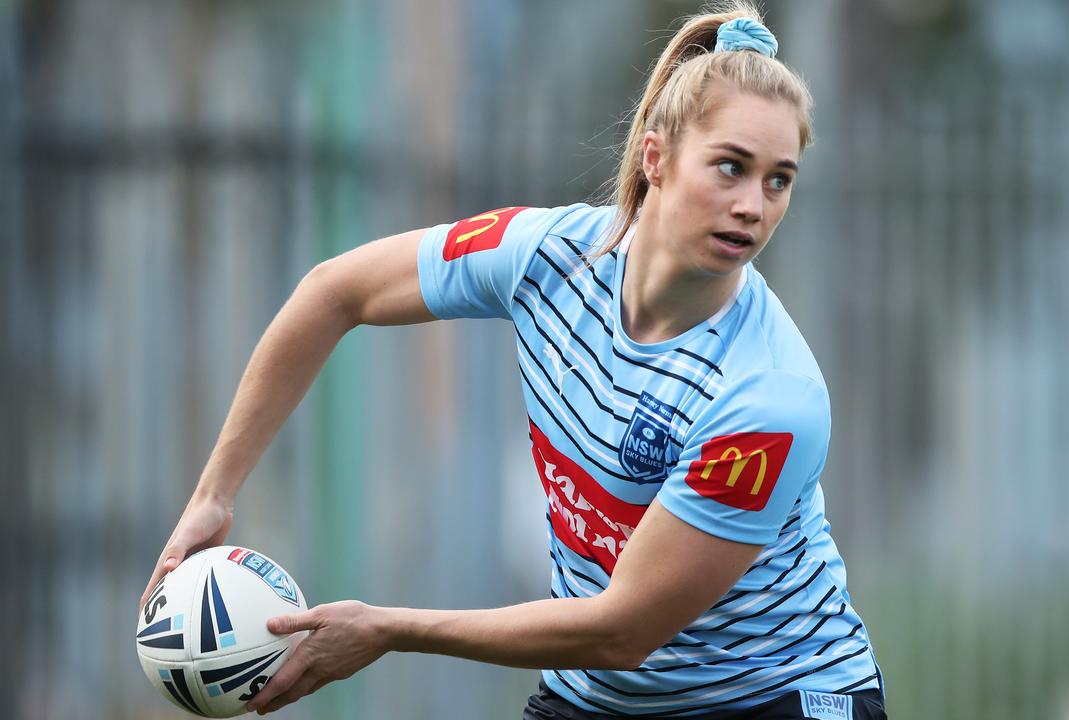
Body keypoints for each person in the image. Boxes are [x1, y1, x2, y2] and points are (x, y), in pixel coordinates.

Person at [139, 3, 887, 718]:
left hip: (774, 697)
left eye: (778, 179)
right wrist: (214, 492)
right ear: (656, 158)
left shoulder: (769, 396)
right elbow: (334, 293)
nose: (754, 205)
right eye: (730, 167)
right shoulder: (544, 256)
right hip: (595, 697)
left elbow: (622, 630)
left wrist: (390, 628)